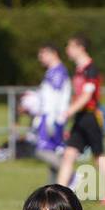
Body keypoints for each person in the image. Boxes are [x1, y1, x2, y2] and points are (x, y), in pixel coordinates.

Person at [54, 35, 105, 203]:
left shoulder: (91, 69)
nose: (67, 50)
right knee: (68, 154)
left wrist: (68, 111)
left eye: (70, 46)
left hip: (90, 117)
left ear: (81, 48)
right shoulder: (79, 70)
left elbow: (87, 96)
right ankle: (59, 195)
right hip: (80, 118)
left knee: (99, 156)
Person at [31, 44, 71, 183]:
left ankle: (72, 176)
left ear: (53, 53)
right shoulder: (52, 72)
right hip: (49, 117)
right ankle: (54, 192)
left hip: (52, 118)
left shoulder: (57, 72)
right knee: (53, 156)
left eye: (43, 54)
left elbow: (55, 98)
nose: (40, 58)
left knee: (42, 151)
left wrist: (51, 120)